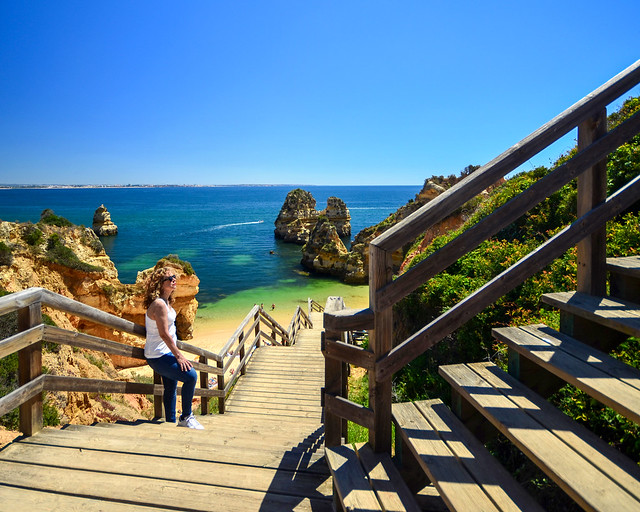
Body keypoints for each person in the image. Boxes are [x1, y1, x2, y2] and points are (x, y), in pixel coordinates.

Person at [144, 267, 203, 429]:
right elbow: (164, 334)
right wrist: (179, 356)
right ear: (160, 284)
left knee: (170, 388)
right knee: (191, 376)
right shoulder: (159, 304)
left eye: (174, 277)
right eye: (170, 278)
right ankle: (186, 417)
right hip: (158, 355)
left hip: (164, 353)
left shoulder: (167, 303)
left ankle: (170, 422)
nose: (174, 280)